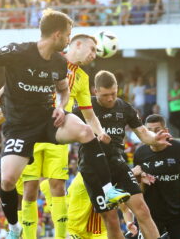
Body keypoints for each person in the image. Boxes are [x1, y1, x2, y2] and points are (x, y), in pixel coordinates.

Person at [0, 8, 128, 239]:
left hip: (49, 120)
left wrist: (61, 106)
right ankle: (15, 229)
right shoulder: (19, 52)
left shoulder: (60, 64)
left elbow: (63, 91)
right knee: (9, 181)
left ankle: (108, 191)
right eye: (68, 35)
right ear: (58, 35)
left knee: (84, 132)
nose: (69, 40)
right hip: (20, 127)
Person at [66, 70, 169, 239]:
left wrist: (155, 139)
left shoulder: (125, 108)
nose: (110, 98)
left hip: (118, 165)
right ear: (95, 91)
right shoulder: (84, 107)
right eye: (105, 95)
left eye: (113, 93)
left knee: (142, 210)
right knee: (111, 220)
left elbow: (143, 133)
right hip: (94, 169)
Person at [133, 114, 180, 239]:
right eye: (149, 131)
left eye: (157, 130)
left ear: (166, 131)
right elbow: (137, 186)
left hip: (177, 213)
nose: (154, 134)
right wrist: (138, 177)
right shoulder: (140, 153)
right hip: (150, 215)